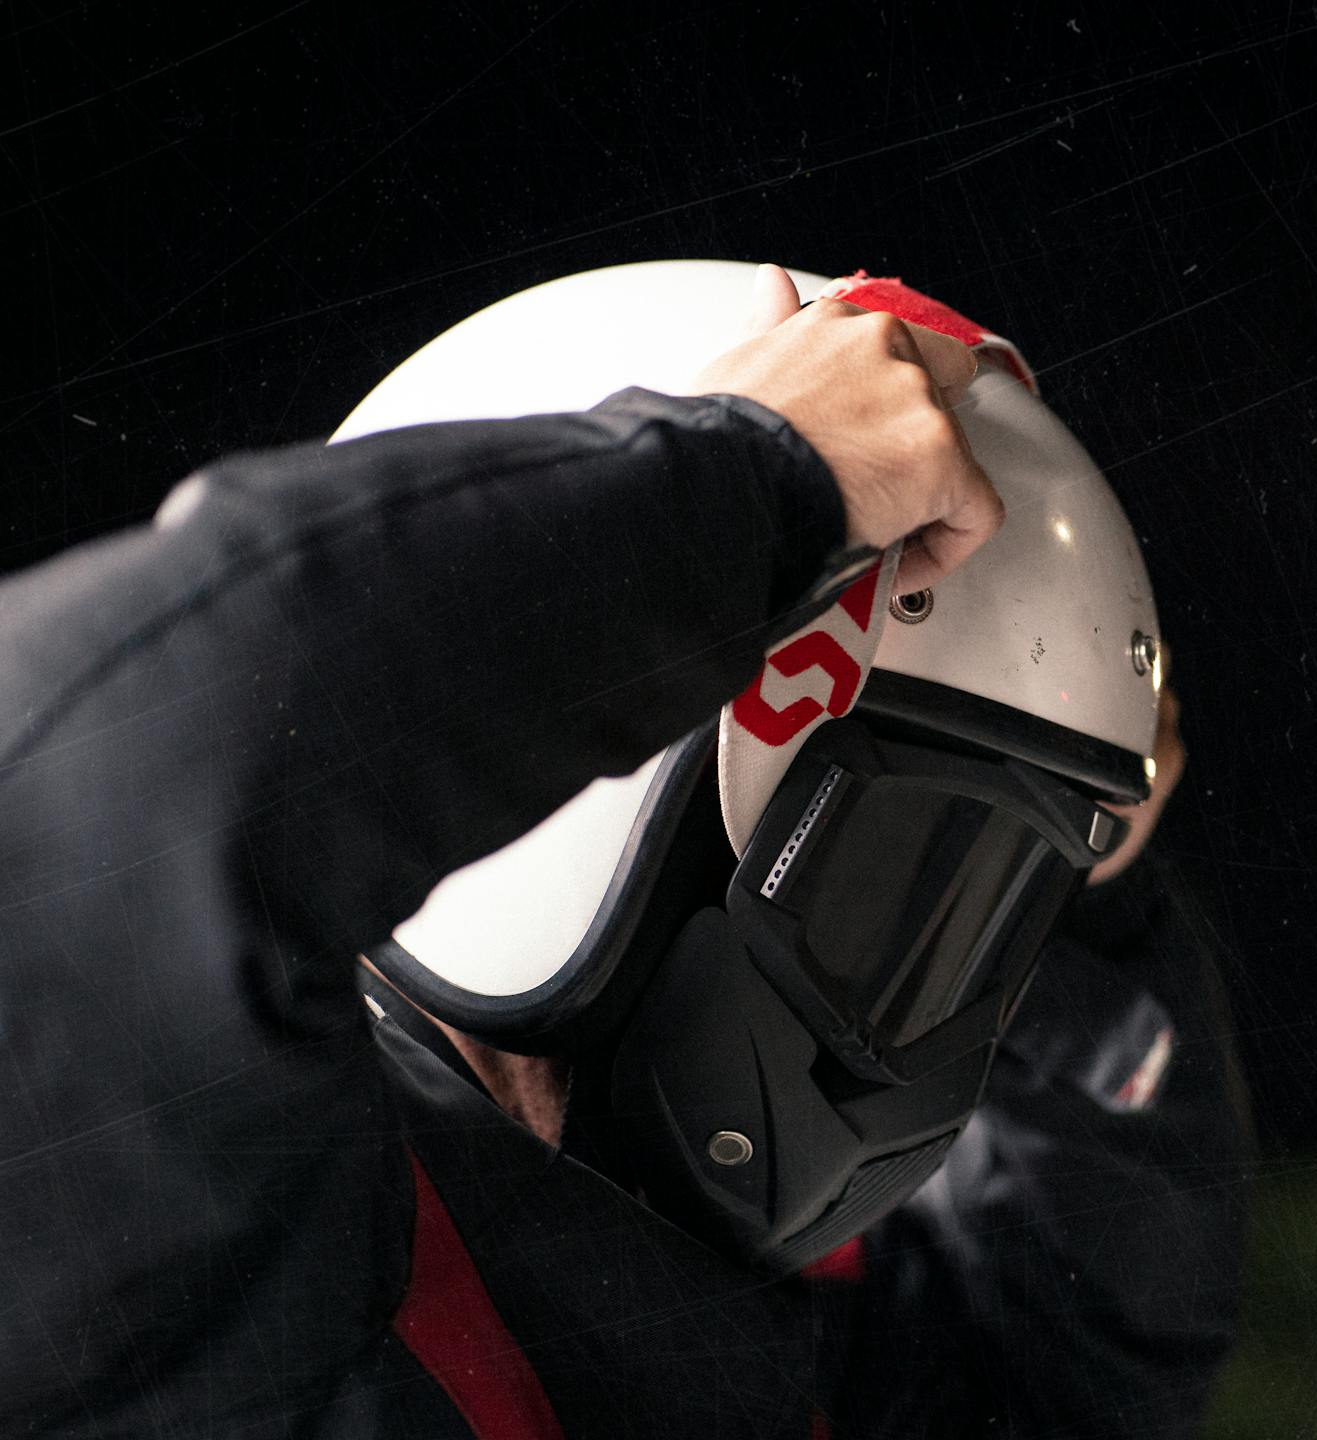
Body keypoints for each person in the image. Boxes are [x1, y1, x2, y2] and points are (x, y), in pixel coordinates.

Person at [0, 263, 1249, 1437]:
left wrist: (1092, 915)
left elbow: (1075, 1367)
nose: (933, 1044)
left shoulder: (717, 1337)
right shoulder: (241, 1245)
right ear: (603, 800)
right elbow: (87, 788)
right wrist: (727, 489)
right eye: (892, 878)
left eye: (984, 927)